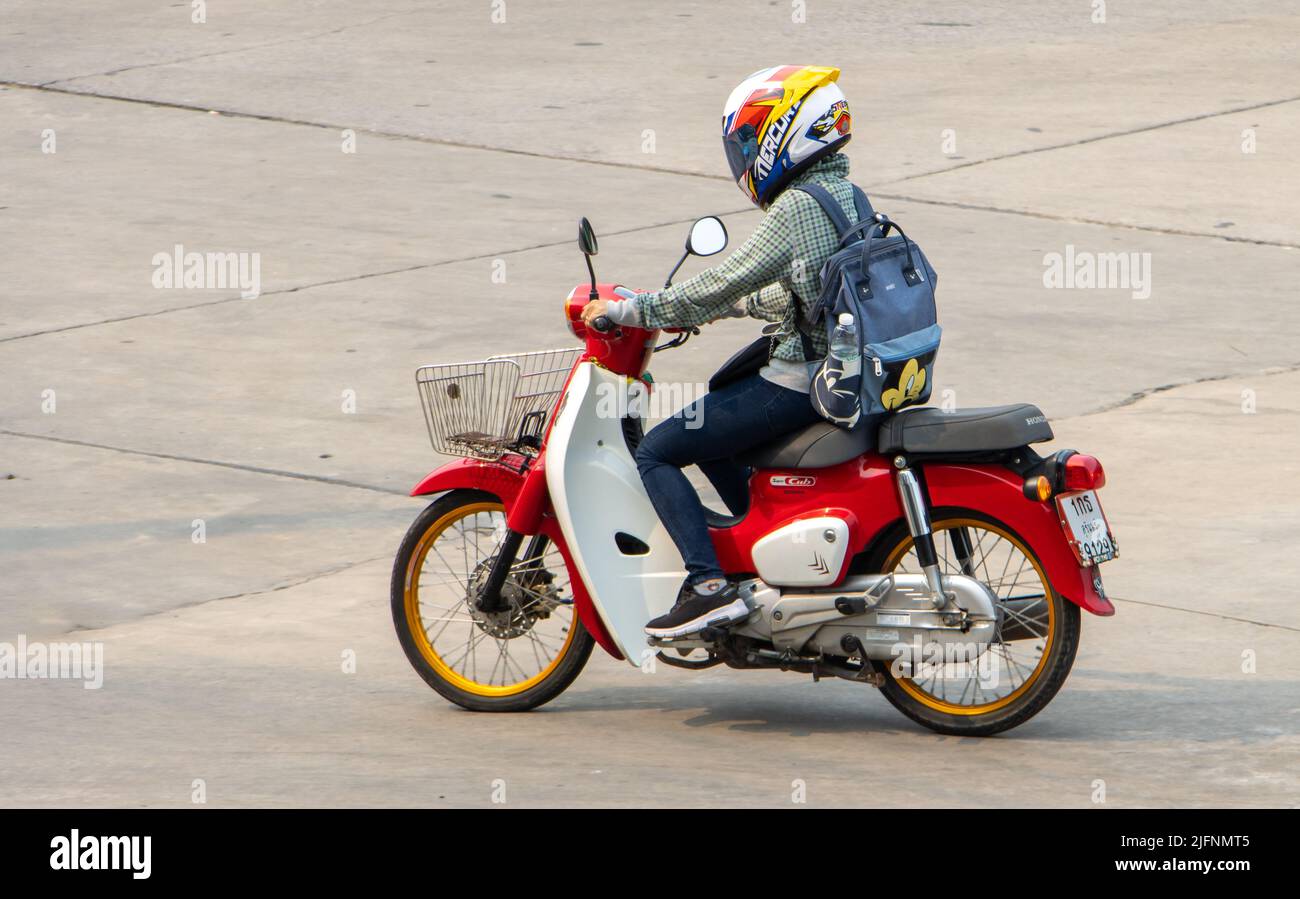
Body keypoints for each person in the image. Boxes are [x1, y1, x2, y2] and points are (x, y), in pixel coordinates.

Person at [580, 65, 860, 639]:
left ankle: (708, 585)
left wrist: (634, 311)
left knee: (658, 449)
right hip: (847, 371)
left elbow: (718, 282)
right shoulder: (844, 194)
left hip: (801, 381)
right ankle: (756, 553)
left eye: (750, 141)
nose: (745, 157)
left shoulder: (797, 207)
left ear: (787, 133)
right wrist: (736, 308)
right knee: (716, 408)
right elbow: (803, 287)